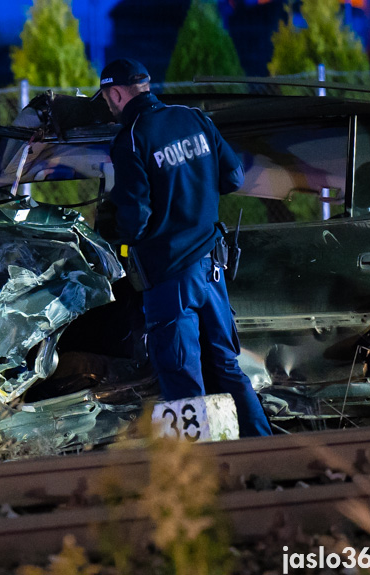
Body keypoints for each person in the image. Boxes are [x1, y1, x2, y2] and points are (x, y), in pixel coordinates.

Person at [97, 58, 271, 437]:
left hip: (170, 276)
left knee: (181, 378)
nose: (109, 106)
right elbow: (234, 177)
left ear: (116, 93)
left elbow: (136, 218)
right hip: (212, 269)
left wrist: (118, 240)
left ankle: (197, 473)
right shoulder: (194, 118)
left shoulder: (131, 137)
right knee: (227, 365)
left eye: (108, 99)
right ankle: (266, 453)